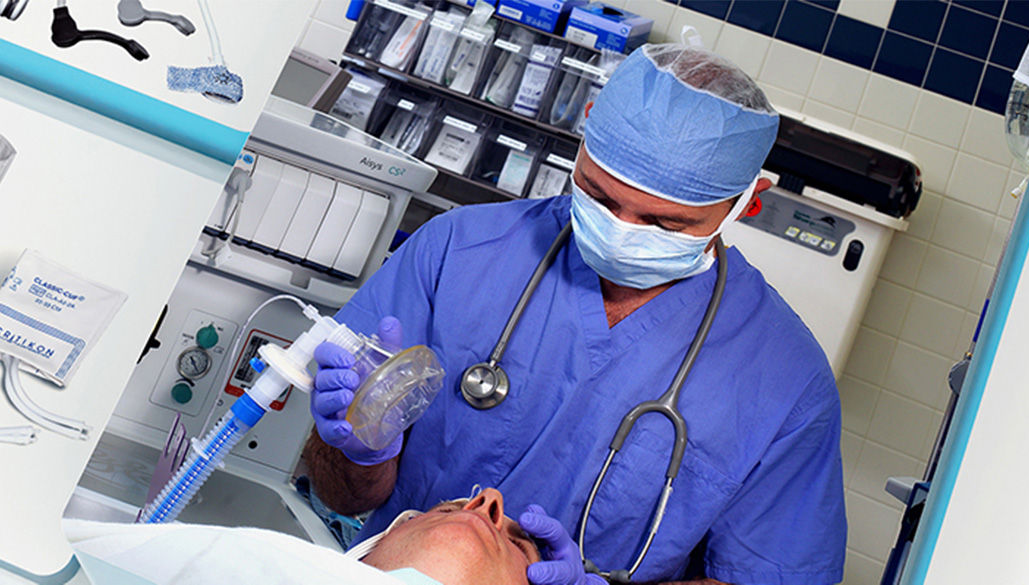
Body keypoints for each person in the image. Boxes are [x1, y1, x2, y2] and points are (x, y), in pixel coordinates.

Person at [305, 43, 846, 585]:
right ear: (584, 133)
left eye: (666, 223)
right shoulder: (458, 252)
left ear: (747, 201)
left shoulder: (786, 381)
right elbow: (340, 492)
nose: (622, 230)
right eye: (598, 195)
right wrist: (361, 449)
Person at [63, 488, 537, 585]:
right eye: (445, 508)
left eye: (518, 544)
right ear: (365, 555)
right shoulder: (249, 557)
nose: (487, 499)